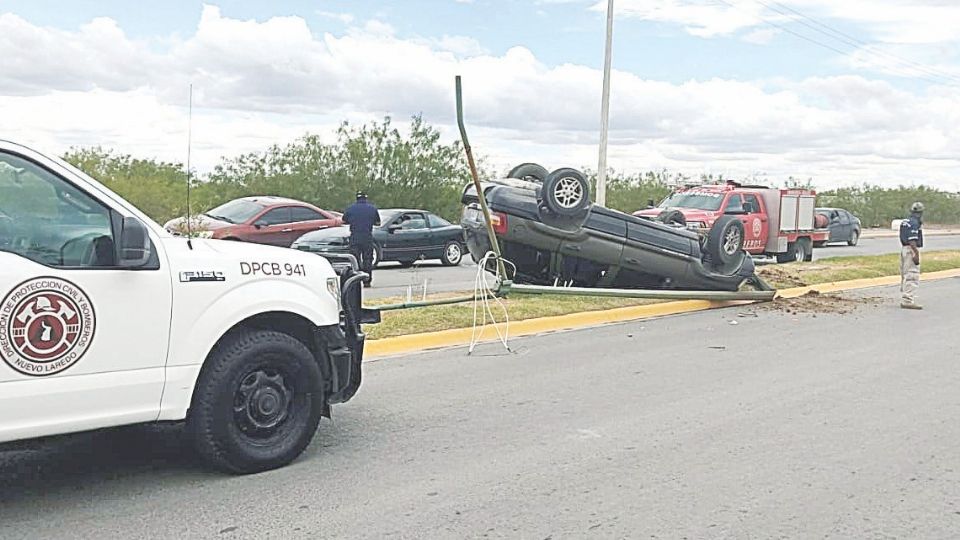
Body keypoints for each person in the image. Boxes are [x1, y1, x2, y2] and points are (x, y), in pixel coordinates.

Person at [343, 191, 380, 287]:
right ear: (365, 198)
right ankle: (367, 281)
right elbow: (378, 222)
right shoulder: (372, 209)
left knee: (355, 259)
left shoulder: (350, 209)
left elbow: (344, 220)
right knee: (367, 259)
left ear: (357, 198)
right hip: (367, 237)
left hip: (355, 236)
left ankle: (356, 280)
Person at [899, 201, 924, 310]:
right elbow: (912, 240)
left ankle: (905, 294)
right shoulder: (915, 222)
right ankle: (907, 300)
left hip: (904, 248)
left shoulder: (905, 221)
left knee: (905, 274)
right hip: (911, 249)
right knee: (912, 274)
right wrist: (916, 253)